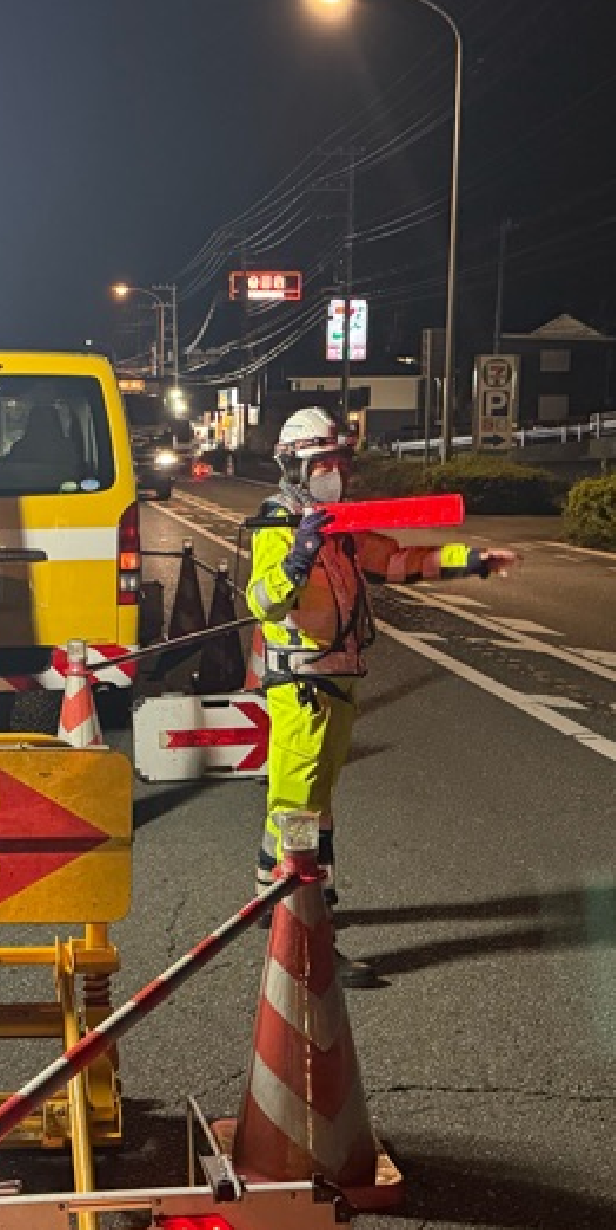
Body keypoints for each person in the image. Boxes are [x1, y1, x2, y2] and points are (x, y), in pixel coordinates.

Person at [246, 406, 503, 982]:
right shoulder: (280, 524)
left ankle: (279, 904)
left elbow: (398, 560)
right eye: (321, 463)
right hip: (302, 686)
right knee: (298, 814)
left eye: (339, 461)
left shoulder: (338, 524)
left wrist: (472, 560)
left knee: (316, 810)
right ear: (294, 466)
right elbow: (263, 602)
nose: (333, 472)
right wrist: (297, 555)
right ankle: (305, 940)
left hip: (334, 681)